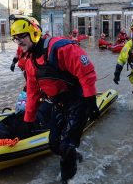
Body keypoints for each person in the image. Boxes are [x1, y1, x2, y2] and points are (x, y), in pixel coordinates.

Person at [10, 14, 99, 183]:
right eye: (16, 38)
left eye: (22, 36)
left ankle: (68, 179)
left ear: (34, 33)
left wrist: (91, 102)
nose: (19, 41)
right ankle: (73, 154)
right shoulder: (30, 62)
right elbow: (33, 92)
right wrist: (28, 119)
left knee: (65, 146)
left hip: (78, 100)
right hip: (59, 103)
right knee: (54, 144)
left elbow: (86, 73)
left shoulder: (59, 48)